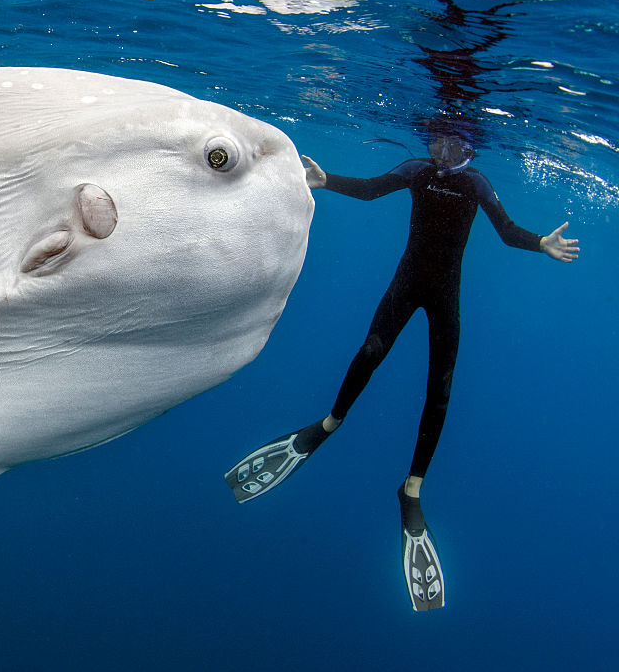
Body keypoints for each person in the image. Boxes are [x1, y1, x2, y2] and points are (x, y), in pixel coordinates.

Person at [224, 133, 579, 611]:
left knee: (441, 390)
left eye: (451, 148)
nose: (441, 155)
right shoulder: (416, 172)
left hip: (443, 295)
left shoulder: (475, 184)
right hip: (408, 281)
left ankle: (412, 489)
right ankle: (326, 425)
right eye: (436, 145)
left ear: (468, 150)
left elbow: (507, 230)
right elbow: (372, 188)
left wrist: (541, 244)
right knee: (370, 352)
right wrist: (326, 181)